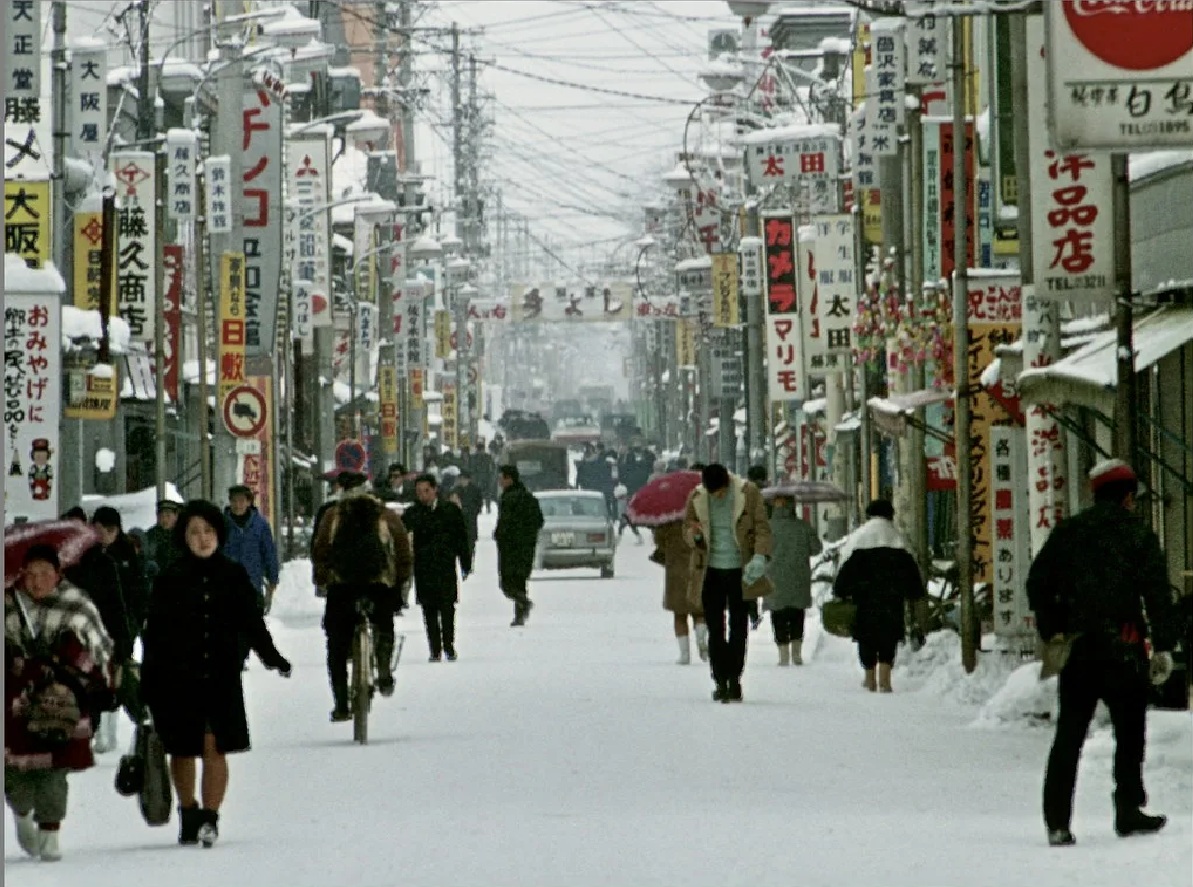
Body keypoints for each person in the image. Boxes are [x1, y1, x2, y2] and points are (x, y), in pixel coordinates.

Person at [1026, 459, 1177, 847]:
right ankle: (1128, 808)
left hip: (1077, 648)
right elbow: (1157, 593)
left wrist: (1055, 628)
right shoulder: (1137, 535)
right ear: (1128, 496)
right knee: (1130, 732)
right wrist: (1163, 645)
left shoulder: (1069, 532)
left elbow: (1037, 583)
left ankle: (1057, 821)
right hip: (1124, 646)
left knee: (1069, 735)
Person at [141, 500, 291, 848]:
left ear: (218, 535)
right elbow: (155, 636)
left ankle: (210, 817)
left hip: (221, 675)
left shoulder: (234, 575)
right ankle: (188, 810)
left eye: (208, 531)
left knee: (214, 744)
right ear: (184, 537)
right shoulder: (170, 578)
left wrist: (273, 658)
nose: (202, 538)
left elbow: (252, 624)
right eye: (194, 532)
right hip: (178, 677)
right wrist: (148, 684)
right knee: (181, 749)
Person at [5, 544, 114, 862]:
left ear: (58, 574)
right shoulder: (8, 603)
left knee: (55, 770)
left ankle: (50, 831)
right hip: (15, 700)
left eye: (45, 574)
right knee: (14, 772)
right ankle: (22, 813)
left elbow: (96, 649)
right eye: (31, 574)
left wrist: (63, 655)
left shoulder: (76, 604)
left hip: (61, 700)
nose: (37, 581)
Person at [311, 460, 412, 719]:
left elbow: (320, 551)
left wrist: (322, 581)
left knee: (335, 643)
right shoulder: (385, 514)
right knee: (384, 624)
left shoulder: (332, 516)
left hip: (343, 588)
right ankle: (385, 667)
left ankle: (342, 703)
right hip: (379, 586)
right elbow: (403, 551)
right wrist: (400, 586)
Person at [683, 463, 772, 703]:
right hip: (709, 570)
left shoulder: (748, 492)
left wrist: (760, 556)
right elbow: (687, 530)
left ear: (727, 483)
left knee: (739, 626)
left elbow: (762, 527)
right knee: (715, 628)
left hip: (740, 570)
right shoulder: (697, 496)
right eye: (713, 494)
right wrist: (695, 535)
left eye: (721, 492)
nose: (717, 497)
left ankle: (735, 679)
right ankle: (719, 680)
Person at [832, 500, 925, 694]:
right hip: (892, 601)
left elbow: (843, 574)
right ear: (890, 515)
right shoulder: (899, 540)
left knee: (866, 638)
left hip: (865, 601)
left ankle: (869, 678)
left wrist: (841, 592)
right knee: (888, 638)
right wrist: (915, 594)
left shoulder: (859, 540)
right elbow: (913, 574)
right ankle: (885, 679)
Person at [89, 506, 148, 750]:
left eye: (110, 529)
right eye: (100, 529)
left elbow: (138, 590)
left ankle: (115, 731)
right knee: (94, 679)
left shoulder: (126, 552)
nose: (105, 534)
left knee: (118, 677)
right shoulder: (89, 554)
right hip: (93, 624)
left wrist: (136, 620)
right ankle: (96, 731)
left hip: (122, 625)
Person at [403, 474, 473, 661]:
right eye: (418, 492)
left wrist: (465, 563)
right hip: (423, 568)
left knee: (447, 607)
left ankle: (448, 645)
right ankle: (435, 649)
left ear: (435, 490)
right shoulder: (412, 514)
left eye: (426, 491)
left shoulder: (450, 511)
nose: (422, 495)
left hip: (445, 565)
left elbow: (461, 538)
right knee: (429, 609)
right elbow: (404, 538)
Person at [762, 493, 821, 666]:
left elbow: (759, 551)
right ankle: (797, 653)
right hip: (799, 576)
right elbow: (816, 549)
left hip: (773, 577)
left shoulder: (767, 528)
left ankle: (783, 654)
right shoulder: (803, 527)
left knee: (778, 614)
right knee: (797, 613)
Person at [494, 465, 545, 627]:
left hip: (511, 546)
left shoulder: (510, 498)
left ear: (509, 479)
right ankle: (520, 614)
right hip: (525, 546)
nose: (499, 481)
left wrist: (503, 534)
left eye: (501, 478)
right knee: (519, 581)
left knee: (507, 583)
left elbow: (506, 522)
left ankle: (524, 604)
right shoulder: (527, 497)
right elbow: (539, 521)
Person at [651, 520, 707, 664]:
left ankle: (684, 654)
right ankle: (701, 637)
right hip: (698, 567)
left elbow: (659, 541)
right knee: (700, 611)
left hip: (675, 569)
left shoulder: (668, 520)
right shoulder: (699, 515)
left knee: (679, 614)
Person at [222, 485, 280, 616]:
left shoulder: (260, 524)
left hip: (252, 583)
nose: (237, 505)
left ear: (248, 502)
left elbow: (269, 553)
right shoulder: (222, 524)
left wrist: (272, 580)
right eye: (234, 501)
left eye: (241, 501)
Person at [144, 499, 183, 583]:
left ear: (176, 516)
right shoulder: (150, 535)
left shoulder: (183, 535)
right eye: (161, 516)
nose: (164, 519)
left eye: (168, 515)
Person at [450, 470, 485, 561]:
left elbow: (479, 504)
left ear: (468, 479)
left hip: (470, 520)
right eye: (460, 479)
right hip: (459, 521)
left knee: (470, 542)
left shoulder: (475, 490)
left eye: (464, 479)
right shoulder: (456, 490)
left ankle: (470, 559)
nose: (462, 481)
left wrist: (470, 510)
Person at [470, 442, 497, 513]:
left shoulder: (476, 457)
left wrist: (492, 475)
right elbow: (493, 467)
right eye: (479, 450)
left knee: (484, 493)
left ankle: (486, 508)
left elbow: (493, 467)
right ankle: (482, 508)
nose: (480, 451)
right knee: (482, 493)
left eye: (480, 450)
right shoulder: (487, 456)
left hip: (483, 477)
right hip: (482, 477)